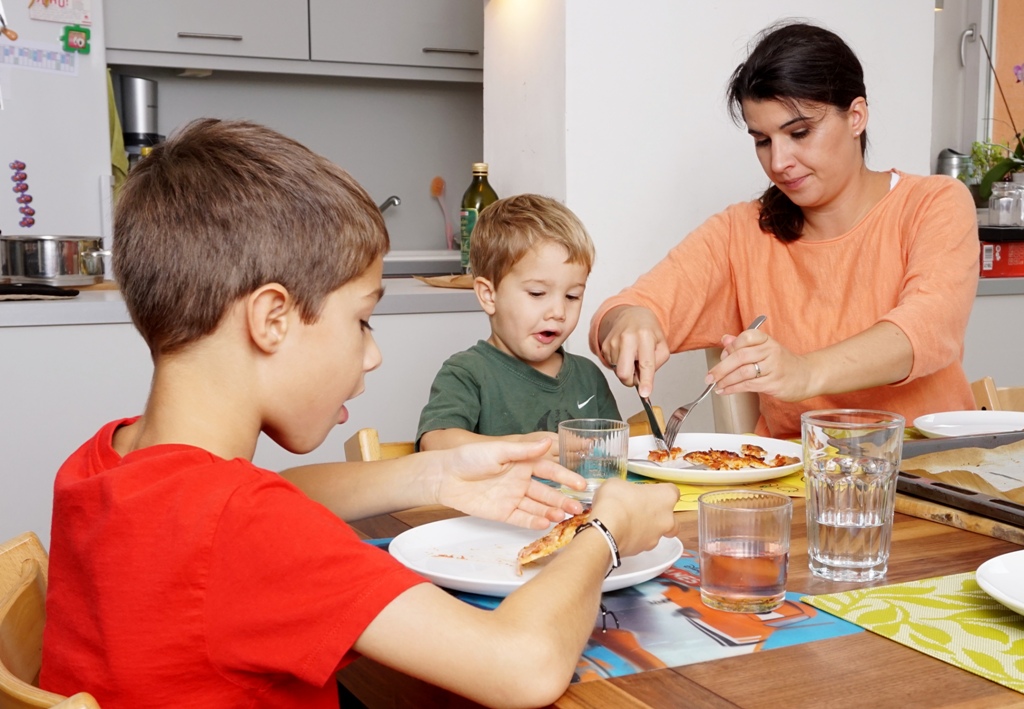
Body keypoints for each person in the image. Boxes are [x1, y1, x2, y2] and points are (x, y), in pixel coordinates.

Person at [40, 119, 680, 708]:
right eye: (363, 320)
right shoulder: (253, 532)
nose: (372, 356)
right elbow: (523, 666)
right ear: (271, 320)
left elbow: (257, 500)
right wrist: (606, 531)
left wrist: (436, 476)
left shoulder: (106, 461)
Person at [590, 21, 979, 439]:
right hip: (799, 483)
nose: (778, 162)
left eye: (799, 133)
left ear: (856, 117)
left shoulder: (935, 203)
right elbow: (618, 313)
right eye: (762, 140)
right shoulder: (741, 232)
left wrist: (804, 372)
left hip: (928, 472)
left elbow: (927, 330)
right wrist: (628, 322)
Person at [418, 193, 621, 456]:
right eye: (537, 293)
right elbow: (434, 443)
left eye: (572, 296)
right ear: (489, 295)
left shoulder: (588, 377)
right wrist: (520, 447)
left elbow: (615, 455)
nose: (559, 311)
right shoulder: (467, 372)